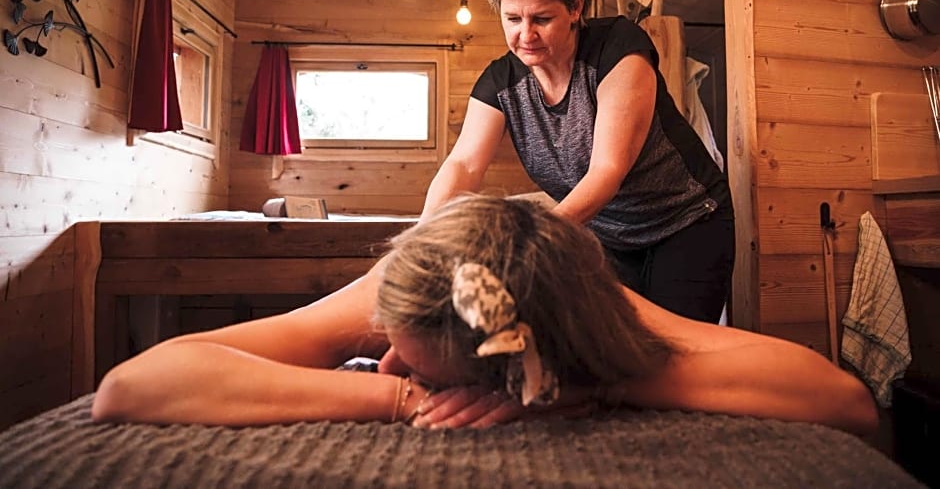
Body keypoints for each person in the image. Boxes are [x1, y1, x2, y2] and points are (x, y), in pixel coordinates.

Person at [91, 194, 877, 436]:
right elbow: (128, 387)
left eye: (412, 365)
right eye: (392, 351)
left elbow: (845, 400)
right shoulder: (400, 285)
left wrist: (594, 385)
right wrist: (392, 395)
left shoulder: (597, 307)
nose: (392, 360)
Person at [420, 0, 734, 324]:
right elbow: (463, 166)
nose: (525, 35)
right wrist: (420, 241)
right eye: (512, 19)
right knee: (608, 349)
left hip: (687, 223)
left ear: (575, 7)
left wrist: (531, 243)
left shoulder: (618, 48)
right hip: (609, 237)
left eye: (542, 19)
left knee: (671, 351)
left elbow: (606, 171)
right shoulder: (501, 83)